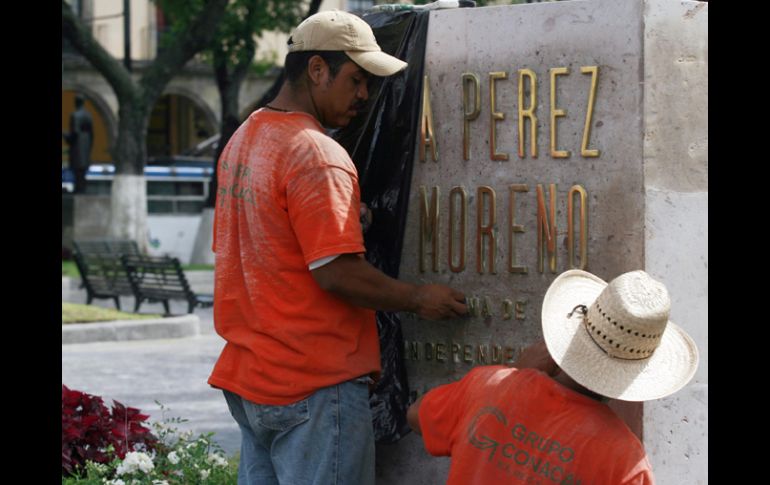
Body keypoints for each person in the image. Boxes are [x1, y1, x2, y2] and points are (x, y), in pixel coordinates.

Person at [207, 10, 468, 485]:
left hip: (254, 379)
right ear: (317, 70)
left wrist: (349, 214)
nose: (364, 96)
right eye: (356, 80)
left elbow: (270, 233)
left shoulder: (246, 138)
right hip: (312, 384)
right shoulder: (317, 154)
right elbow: (336, 273)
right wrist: (418, 298)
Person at [408, 269, 699, 484]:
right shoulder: (623, 460)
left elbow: (417, 416)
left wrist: (515, 379)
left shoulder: (487, 385)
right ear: (638, 372)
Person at [63, 94, 94, 194]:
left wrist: (66, 135)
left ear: (75, 102)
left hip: (77, 146)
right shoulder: (89, 115)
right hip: (86, 144)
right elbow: (92, 133)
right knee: (82, 171)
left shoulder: (75, 115)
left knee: (77, 170)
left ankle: (78, 190)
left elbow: (75, 132)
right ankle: (82, 189)